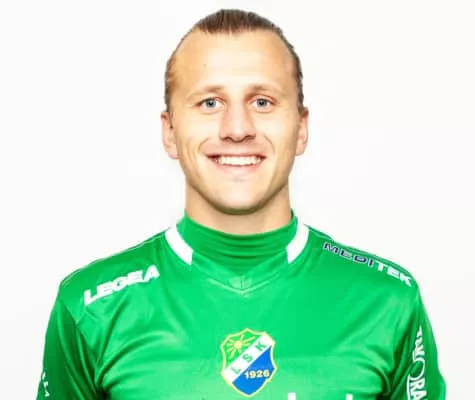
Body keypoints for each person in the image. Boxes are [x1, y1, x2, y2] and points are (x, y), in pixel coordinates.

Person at [36, 8, 446, 400]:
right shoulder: (91, 308)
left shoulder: (388, 301)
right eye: (210, 103)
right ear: (170, 131)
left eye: (262, 102)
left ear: (301, 129)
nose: (237, 129)